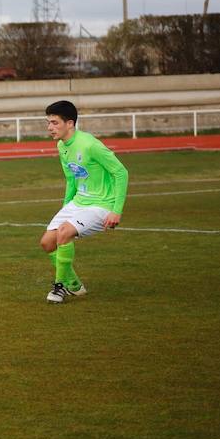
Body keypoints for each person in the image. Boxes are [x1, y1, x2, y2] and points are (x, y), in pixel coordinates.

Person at [41, 100, 129, 303]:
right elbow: (72, 179)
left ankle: (59, 287)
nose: (49, 128)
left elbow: (121, 173)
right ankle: (75, 285)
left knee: (64, 232)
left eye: (54, 123)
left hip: (102, 204)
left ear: (69, 123)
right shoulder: (62, 146)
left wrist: (116, 211)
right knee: (47, 243)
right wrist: (66, 207)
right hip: (79, 202)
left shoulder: (90, 144)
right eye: (48, 123)